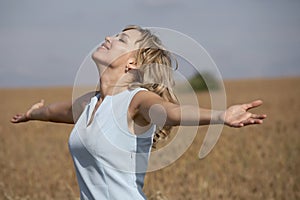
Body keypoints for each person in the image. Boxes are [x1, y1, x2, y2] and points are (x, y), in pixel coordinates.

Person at [11, 25, 266, 200]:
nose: (109, 38)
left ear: (133, 62)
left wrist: (221, 116)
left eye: (121, 39)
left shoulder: (137, 100)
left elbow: (171, 112)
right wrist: (34, 114)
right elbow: (59, 111)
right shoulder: (90, 103)